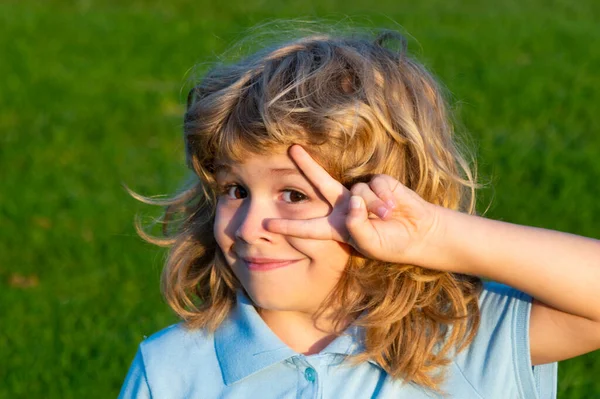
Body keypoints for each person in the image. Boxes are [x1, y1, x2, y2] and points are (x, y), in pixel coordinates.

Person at [118, 28, 600, 398]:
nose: (248, 229)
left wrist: (434, 235)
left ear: (381, 204)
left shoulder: (461, 335)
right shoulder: (170, 370)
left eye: (293, 195)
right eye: (236, 190)